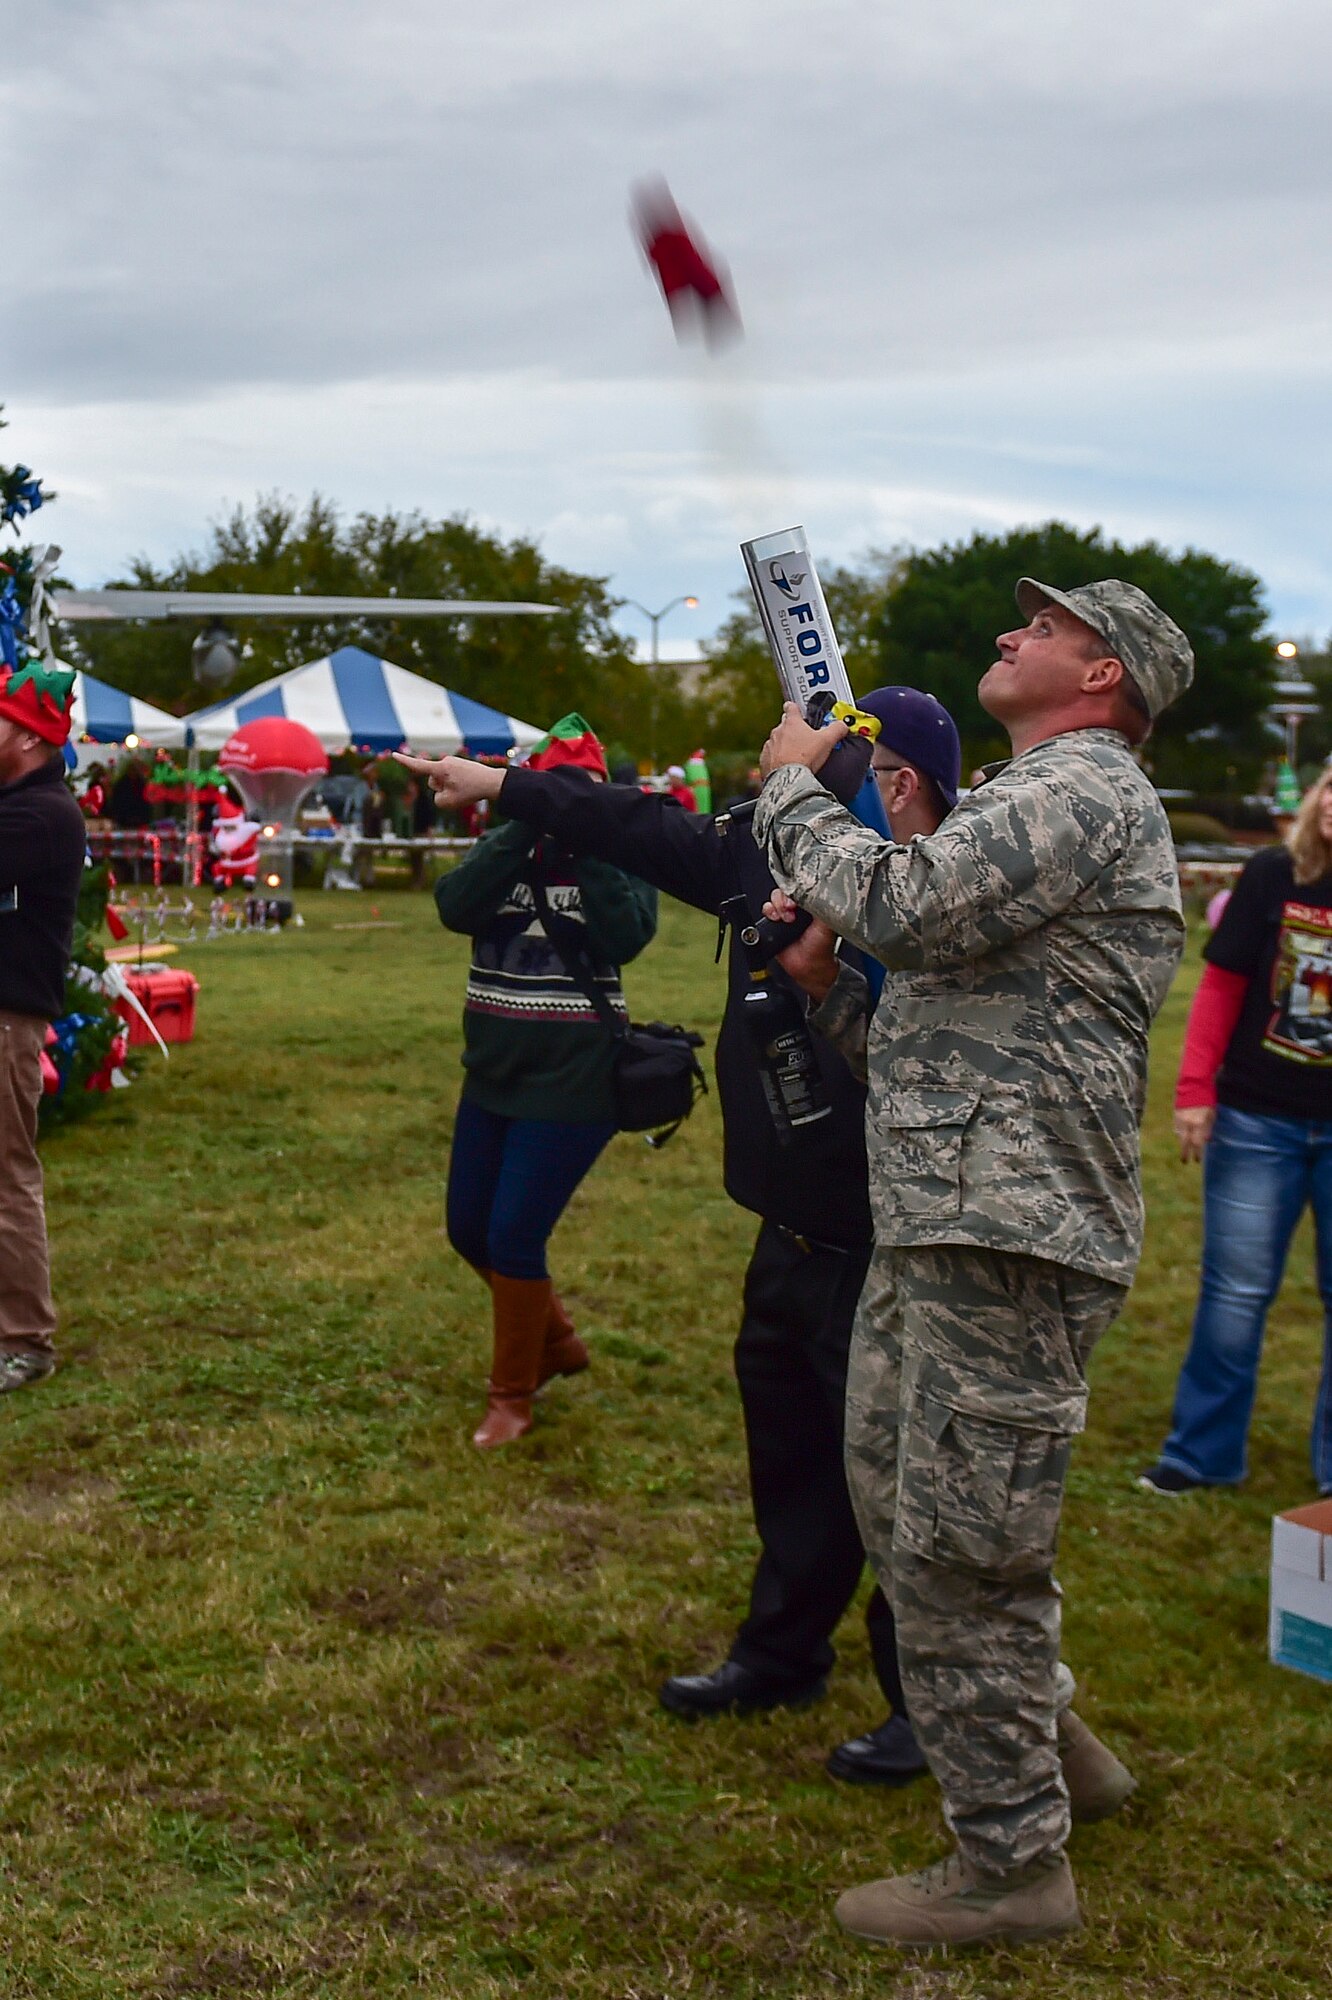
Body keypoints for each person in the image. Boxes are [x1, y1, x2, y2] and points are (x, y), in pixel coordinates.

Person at [406, 691, 965, 1787]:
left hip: (902, 1247)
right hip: (793, 1225)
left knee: (905, 1487)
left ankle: (929, 1699)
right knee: (794, 1455)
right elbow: (645, 829)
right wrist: (505, 787)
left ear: (895, 785)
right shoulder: (785, 860)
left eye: (815, 769)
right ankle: (781, 1652)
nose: (781, 788)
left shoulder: (948, 898)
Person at [754, 579, 1193, 1948]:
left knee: (962, 1549)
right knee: (914, 1516)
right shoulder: (1032, 797)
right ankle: (1053, 1756)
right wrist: (832, 1004)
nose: (1009, 637)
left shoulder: (1089, 791)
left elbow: (914, 906)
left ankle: (1012, 1867)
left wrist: (794, 792)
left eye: (1041, 629)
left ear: (1102, 676)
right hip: (957, 1219)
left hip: (1008, 1239)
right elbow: (944, 1050)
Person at [430, 716, 657, 1449]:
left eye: (574, 793)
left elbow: (628, 937)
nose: (561, 803)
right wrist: (519, 825)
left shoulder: (618, 849)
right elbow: (454, 905)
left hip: (576, 1079)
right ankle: (556, 1344)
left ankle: (512, 1397)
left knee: (514, 1234)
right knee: (469, 1229)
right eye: (548, 791)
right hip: (493, 1071)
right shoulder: (507, 846)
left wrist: (589, 839)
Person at [1142, 767, 1332, 1498]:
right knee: (1235, 1294)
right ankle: (1201, 1456)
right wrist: (1194, 1092)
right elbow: (1220, 984)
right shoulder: (1271, 874)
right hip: (1260, 1119)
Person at [0, 658, 88, 1393]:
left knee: (6, 1181)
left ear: (28, 739)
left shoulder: (42, 815)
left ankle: (25, 1340)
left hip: (4, 1021)